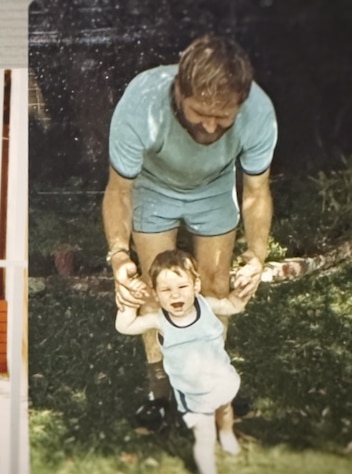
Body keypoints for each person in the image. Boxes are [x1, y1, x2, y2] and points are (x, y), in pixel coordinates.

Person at [102, 34, 277, 430]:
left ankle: (210, 385)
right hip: (154, 187)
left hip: (214, 188)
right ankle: (160, 396)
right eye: (201, 112)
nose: (212, 126)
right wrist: (118, 255)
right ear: (179, 91)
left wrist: (257, 255)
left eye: (224, 117)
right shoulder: (140, 104)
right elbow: (119, 191)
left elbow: (255, 192)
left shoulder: (259, 112)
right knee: (153, 288)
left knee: (214, 286)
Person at [116, 249, 249, 474]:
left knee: (225, 409)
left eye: (182, 286)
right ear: (155, 294)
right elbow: (125, 326)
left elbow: (233, 305)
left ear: (196, 285)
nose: (175, 294)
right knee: (204, 435)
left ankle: (228, 433)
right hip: (193, 392)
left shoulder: (207, 306)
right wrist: (127, 304)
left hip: (219, 377)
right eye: (166, 290)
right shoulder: (160, 321)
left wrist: (241, 294)